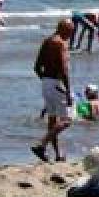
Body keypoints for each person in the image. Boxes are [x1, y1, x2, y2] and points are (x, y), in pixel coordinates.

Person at [28, 19, 75, 162]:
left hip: (46, 82)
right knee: (67, 120)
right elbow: (64, 69)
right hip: (57, 83)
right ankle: (41, 145)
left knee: (52, 120)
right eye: (71, 31)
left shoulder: (47, 41)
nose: (71, 35)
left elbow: (37, 67)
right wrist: (68, 90)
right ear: (65, 29)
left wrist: (46, 81)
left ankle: (58, 154)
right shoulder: (61, 43)